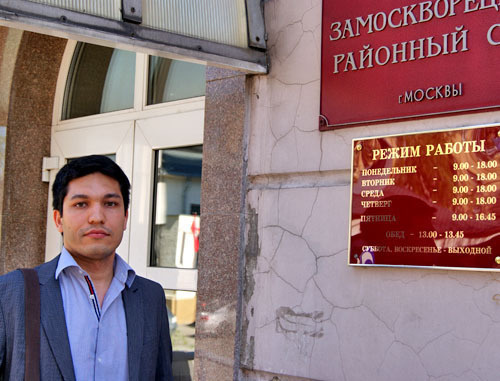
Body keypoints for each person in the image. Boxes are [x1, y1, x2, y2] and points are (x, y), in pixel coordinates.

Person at [0, 155, 173, 380]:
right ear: (58, 219)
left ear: (125, 217)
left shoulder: (150, 297)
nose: (97, 217)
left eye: (110, 204)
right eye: (81, 204)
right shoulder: (12, 292)